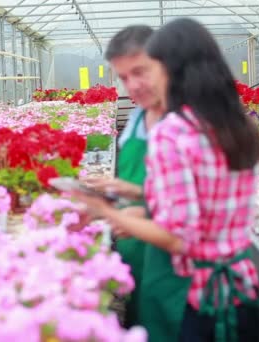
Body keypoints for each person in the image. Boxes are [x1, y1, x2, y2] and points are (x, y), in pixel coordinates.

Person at [73, 18, 259, 342]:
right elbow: (207, 207)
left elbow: (179, 238)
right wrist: (138, 202)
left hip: (195, 296)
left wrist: (107, 212)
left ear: (172, 68)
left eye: (151, 68)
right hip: (240, 287)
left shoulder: (174, 132)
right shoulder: (239, 127)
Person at [82, 25, 165, 329]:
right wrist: (119, 188)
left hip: (173, 263)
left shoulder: (184, 124)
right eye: (124, 78)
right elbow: (159, 190)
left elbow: (193, 207)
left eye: (140, 72)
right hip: (137, 252)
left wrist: (124, 211)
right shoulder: (139, 116)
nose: (133, 85)